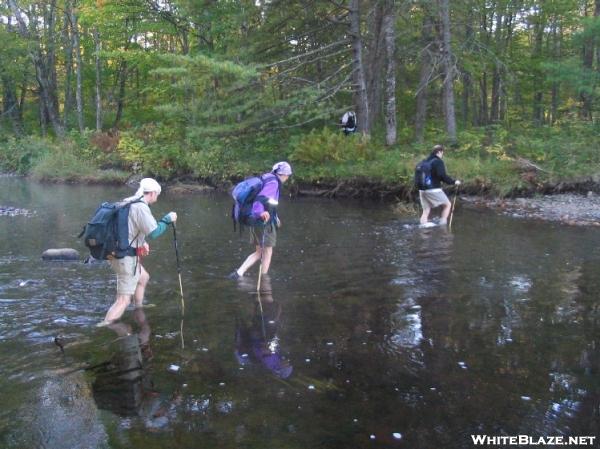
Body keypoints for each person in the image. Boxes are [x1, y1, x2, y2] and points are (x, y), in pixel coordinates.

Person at [98, 178, 177, 326]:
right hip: (125, 257)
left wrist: (142, 242)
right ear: (152, 193)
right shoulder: (141, 207)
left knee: (143, 278)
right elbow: (154, 232)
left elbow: (128, 227)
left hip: (116, 253)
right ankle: (105, 325)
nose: (157, 198)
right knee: (123, 300)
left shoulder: (129, 201)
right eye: (157, 195)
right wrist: (167, 219)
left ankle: (138, 308)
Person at [229, 162, 292, 279]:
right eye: (287, 175)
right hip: (263, 222)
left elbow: (269, 202)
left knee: (259, 252)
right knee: (267, 252)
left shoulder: (267, 178)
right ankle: (263, 279)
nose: (287, 177)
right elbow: (260, 199)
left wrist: (275, 217)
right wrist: (261, 212)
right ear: (282, 174)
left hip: (255, 220)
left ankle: (239, 273)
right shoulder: (274, 183)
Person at [418, 144, 460, 226]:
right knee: (447, 205)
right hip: (433, 189)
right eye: (442, 153)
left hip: (422, 189)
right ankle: (442, 226)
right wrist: (454, 182)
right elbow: (442, 175)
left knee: (426, 210)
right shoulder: (438, 161)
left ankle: (423, 229)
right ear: (439, 152)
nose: (442, 155)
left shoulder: (425, 161)